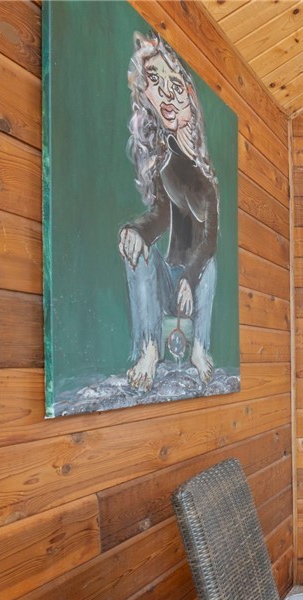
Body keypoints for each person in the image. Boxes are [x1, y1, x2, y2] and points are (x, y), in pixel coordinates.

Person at [119, 31, 219, 391]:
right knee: (138, 251)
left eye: (173, 83)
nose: (166, 94)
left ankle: (201, 349)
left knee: (212, 265)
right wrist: (136, 231)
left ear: (189, 93)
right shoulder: (164, 161)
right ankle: (149, 348)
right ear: (146, 96)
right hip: (168, 276)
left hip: (193, 276)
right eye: (154, 83)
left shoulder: (206, 179)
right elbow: (161, 215)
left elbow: (209, 239)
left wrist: (189, 280)